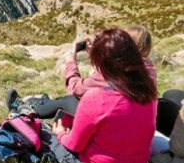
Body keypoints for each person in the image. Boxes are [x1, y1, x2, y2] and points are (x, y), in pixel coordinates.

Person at [49, 29, 157, 163]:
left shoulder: (96, 98)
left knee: (47, 135)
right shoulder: (149, 92)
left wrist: (60, 133)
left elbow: (74, 145)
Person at [11, 25, 157, 118]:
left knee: (68, 100)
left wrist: (71, 62)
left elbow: (76, 88)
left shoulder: (115, 71)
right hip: (132, 120)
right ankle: (42, 102)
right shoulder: (149, 69)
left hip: (108, 120)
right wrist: (95, 55)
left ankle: (28, 109)